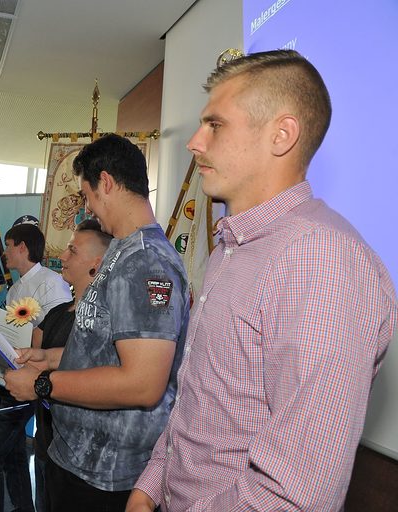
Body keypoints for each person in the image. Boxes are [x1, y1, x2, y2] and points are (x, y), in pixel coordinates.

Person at [128, 50, 398, 512]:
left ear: (282, 134)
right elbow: (202, 404)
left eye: (215, 125)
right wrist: (148, 488)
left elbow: (294, 495)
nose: (194, 142)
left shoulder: (324, 262)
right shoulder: (233, 247)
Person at [4, 133, 189, 512]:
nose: (87, 207)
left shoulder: (147, 261)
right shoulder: (121, 250)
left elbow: (143, 383)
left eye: (87, 195)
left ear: (105, 182)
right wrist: (52, 359)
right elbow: (104, 343)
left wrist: (42, 384)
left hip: (107, 474)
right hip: (77, 458)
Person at [0, 222, 72, 512]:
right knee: (14, 455)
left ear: (22, 247)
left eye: (8, 245)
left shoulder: (50, 282)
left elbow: (59, 329)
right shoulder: (15, 287)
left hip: (32, 377)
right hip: (7, 378)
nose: (4, 252)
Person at [29, 218, 112, 512]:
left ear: (96, 263)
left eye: (72, 251)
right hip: (46, 441)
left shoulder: (101, 324)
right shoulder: (55, 315)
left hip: (79, 456)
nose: (62, 257)